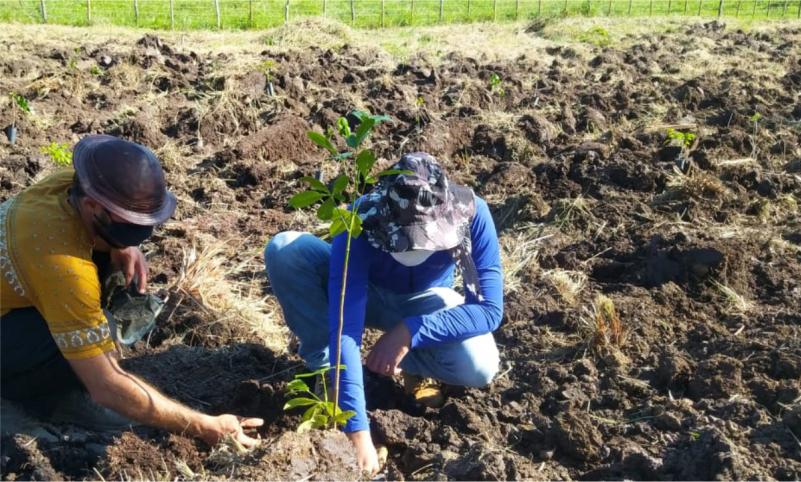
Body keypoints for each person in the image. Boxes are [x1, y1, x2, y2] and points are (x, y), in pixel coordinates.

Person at [0, 135, 262, 447]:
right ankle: (51, 399)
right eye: (130, 223)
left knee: (100, 297)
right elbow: (107, 384)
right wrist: (204, 425)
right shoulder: (63, 266)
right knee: (103, 328)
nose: (141, 231)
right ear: (92, 205)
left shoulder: (67, 188)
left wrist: (122, 243)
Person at [265, 152, 504, 474]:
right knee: (286, 249)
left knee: (479, 367)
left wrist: (410, 331)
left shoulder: (471, 213)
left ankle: (415, 369)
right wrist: (357, 431)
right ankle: (327, 372)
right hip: (363, 295)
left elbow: (488, 310)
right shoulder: (359, 219)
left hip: (425, 301)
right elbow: (345, 326)